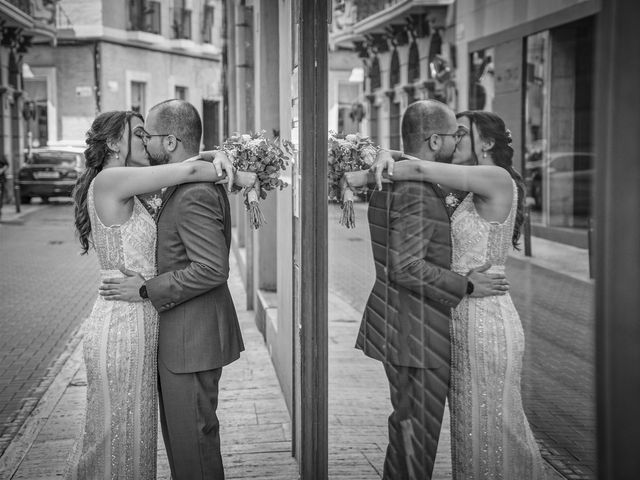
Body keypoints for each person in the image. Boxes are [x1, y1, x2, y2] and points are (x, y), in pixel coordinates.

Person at [357, 108, 546, 479]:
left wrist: (378, 162)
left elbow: (422, 167)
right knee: (460, 430)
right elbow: (409, 259)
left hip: (484, 321)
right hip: (439, 320)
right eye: (452, 134)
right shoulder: (452, 187)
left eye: (462, 133)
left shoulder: (492, 177)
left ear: (487, 143)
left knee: (494, 424)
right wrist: (385, 156)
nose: (455, 140)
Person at [67, 109, 250, 479]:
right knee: (113, 434)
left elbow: (184, 169)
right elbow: (184, 169)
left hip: (151, 319)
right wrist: (223, 162)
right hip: (123, 321)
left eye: (147, 134)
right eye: (138, 134)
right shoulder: (113, 179)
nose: (145, 140)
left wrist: (214, 155)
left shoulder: (139, 183)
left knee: (139, 434)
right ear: (114, 143)